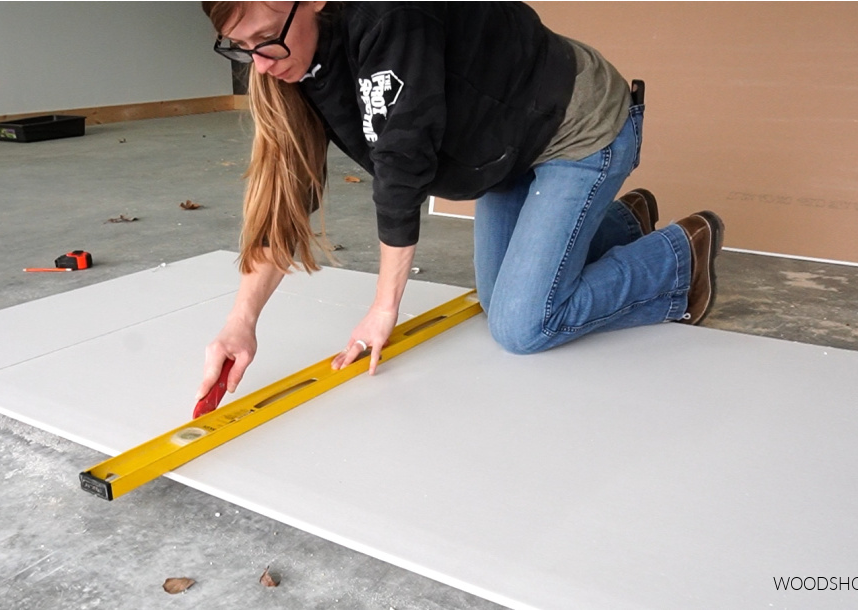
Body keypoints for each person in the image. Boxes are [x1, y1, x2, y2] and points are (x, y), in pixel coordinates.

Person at [196, 1, 723, 400]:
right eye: (239, 48)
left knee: (523, 325)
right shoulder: (291, 60)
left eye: (266, 40)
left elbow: (401, 167)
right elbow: (288, 196)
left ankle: (679, 259)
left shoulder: (388, 15)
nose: (259, 65)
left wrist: (384, 308)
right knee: (496, 299)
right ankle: (618, 225)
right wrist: (241, 322)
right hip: (504, 153)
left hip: (574, 127)